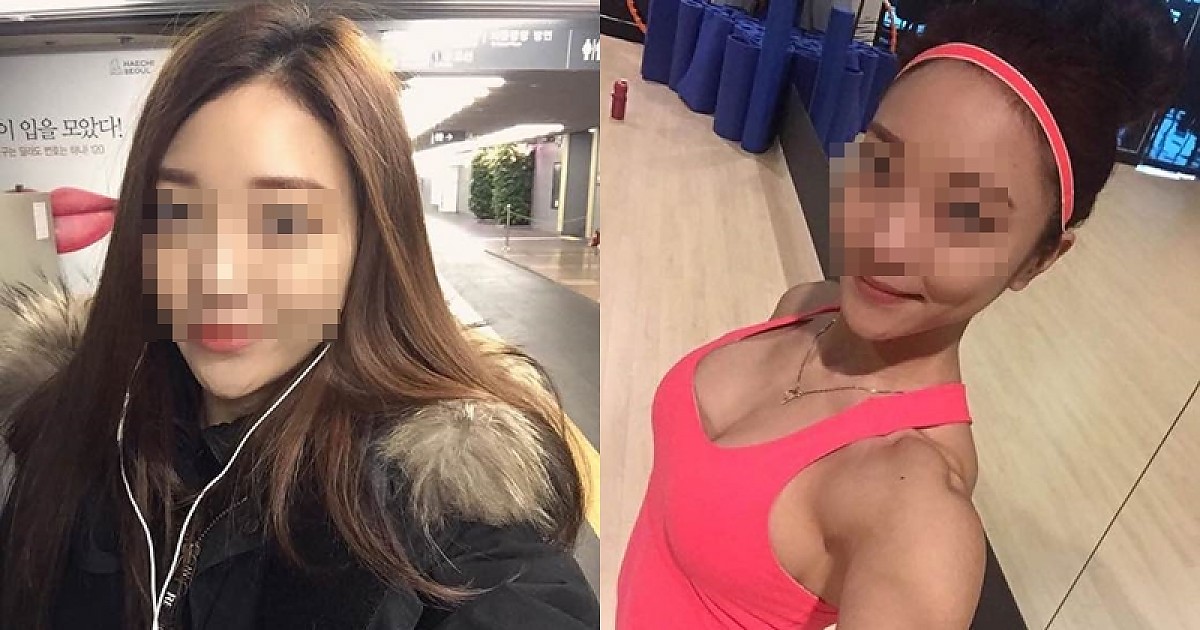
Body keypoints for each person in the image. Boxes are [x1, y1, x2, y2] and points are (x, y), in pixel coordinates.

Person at [0, 4, 598, 629]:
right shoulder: (69, 426)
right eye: (176, 212)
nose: (217, 278)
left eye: (283, 222)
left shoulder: (447, 522)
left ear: (368, 241)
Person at [616, 0, 1183, 628]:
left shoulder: (915, 507)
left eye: (965, 215)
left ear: (1038, 260)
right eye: (881, 167)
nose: (885, 241)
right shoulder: (809, 306)